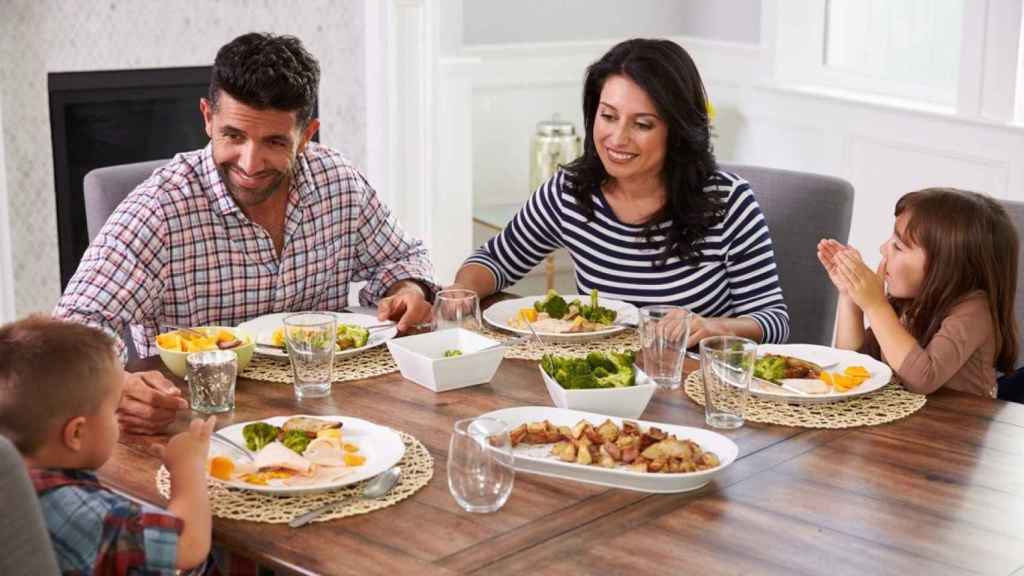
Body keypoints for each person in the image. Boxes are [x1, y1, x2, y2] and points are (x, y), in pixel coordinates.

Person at [55, 33, 437, 434]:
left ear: (307, 136)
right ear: (207, 117)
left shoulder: (337, 181)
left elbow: (403, 257)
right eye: (234, 136)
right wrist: (114, 387)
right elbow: (72, 333)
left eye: (274, 142)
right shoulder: (159, 210)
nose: (250, 165)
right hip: (200, 428)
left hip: (327, 418)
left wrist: (408, 288)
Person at [451, 38, 789, 346]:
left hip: (692, 392)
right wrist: (458, 296)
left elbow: (773, 320)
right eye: (608, 116)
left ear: (678, 131)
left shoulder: (729, 204)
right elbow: (495, 260)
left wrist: (714, 327)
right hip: (597, 388)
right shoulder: (570, 191)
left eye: (642, 124)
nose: (617, 138)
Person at [0, 316, 216, 574]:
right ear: (76, 433)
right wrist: (187, 467)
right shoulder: (82, 511)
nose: (119, 421)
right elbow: (189, 546)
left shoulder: (16, 482)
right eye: (115, 410)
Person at [818, 188, 1019, 397]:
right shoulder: (906, 302)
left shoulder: (975, 312)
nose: (882, 249)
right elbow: (854, 367)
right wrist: (850, 295)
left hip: (959, 426)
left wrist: (875, 306)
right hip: (908, 422)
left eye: (898, 246)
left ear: (944, 266)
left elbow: (923, 379)